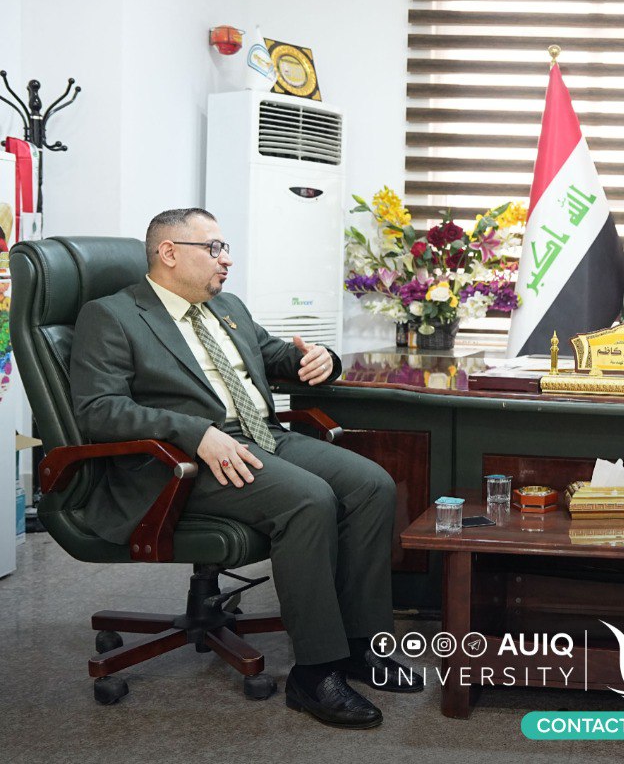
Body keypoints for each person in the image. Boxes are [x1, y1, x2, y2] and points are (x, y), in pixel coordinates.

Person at [70, 207, 421, 729]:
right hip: (182, 461)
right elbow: (98, 409)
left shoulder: (226, 306)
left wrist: (320, 358)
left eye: (226, 248)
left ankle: (358, 645)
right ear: (169, 253)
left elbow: (274, 354)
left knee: (372, 485)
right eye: (213, 248)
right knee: (308, 500)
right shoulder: (113, 315)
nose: (226, 259)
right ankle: (314, 673)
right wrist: (194, 432)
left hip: (261, 436)